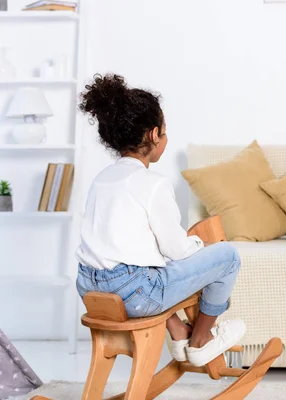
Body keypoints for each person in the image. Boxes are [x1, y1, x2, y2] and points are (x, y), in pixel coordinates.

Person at [74, 73, 245, 367]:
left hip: (89, 289)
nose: (165, 137)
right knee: (227, 256)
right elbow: (176, 249)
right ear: (154, 135)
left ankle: (178, 331)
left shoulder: (102, 179)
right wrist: (198, 244)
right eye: (165, 132)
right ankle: (202, 341)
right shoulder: (151, 182)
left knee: (150, 260)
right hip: (134, 295)